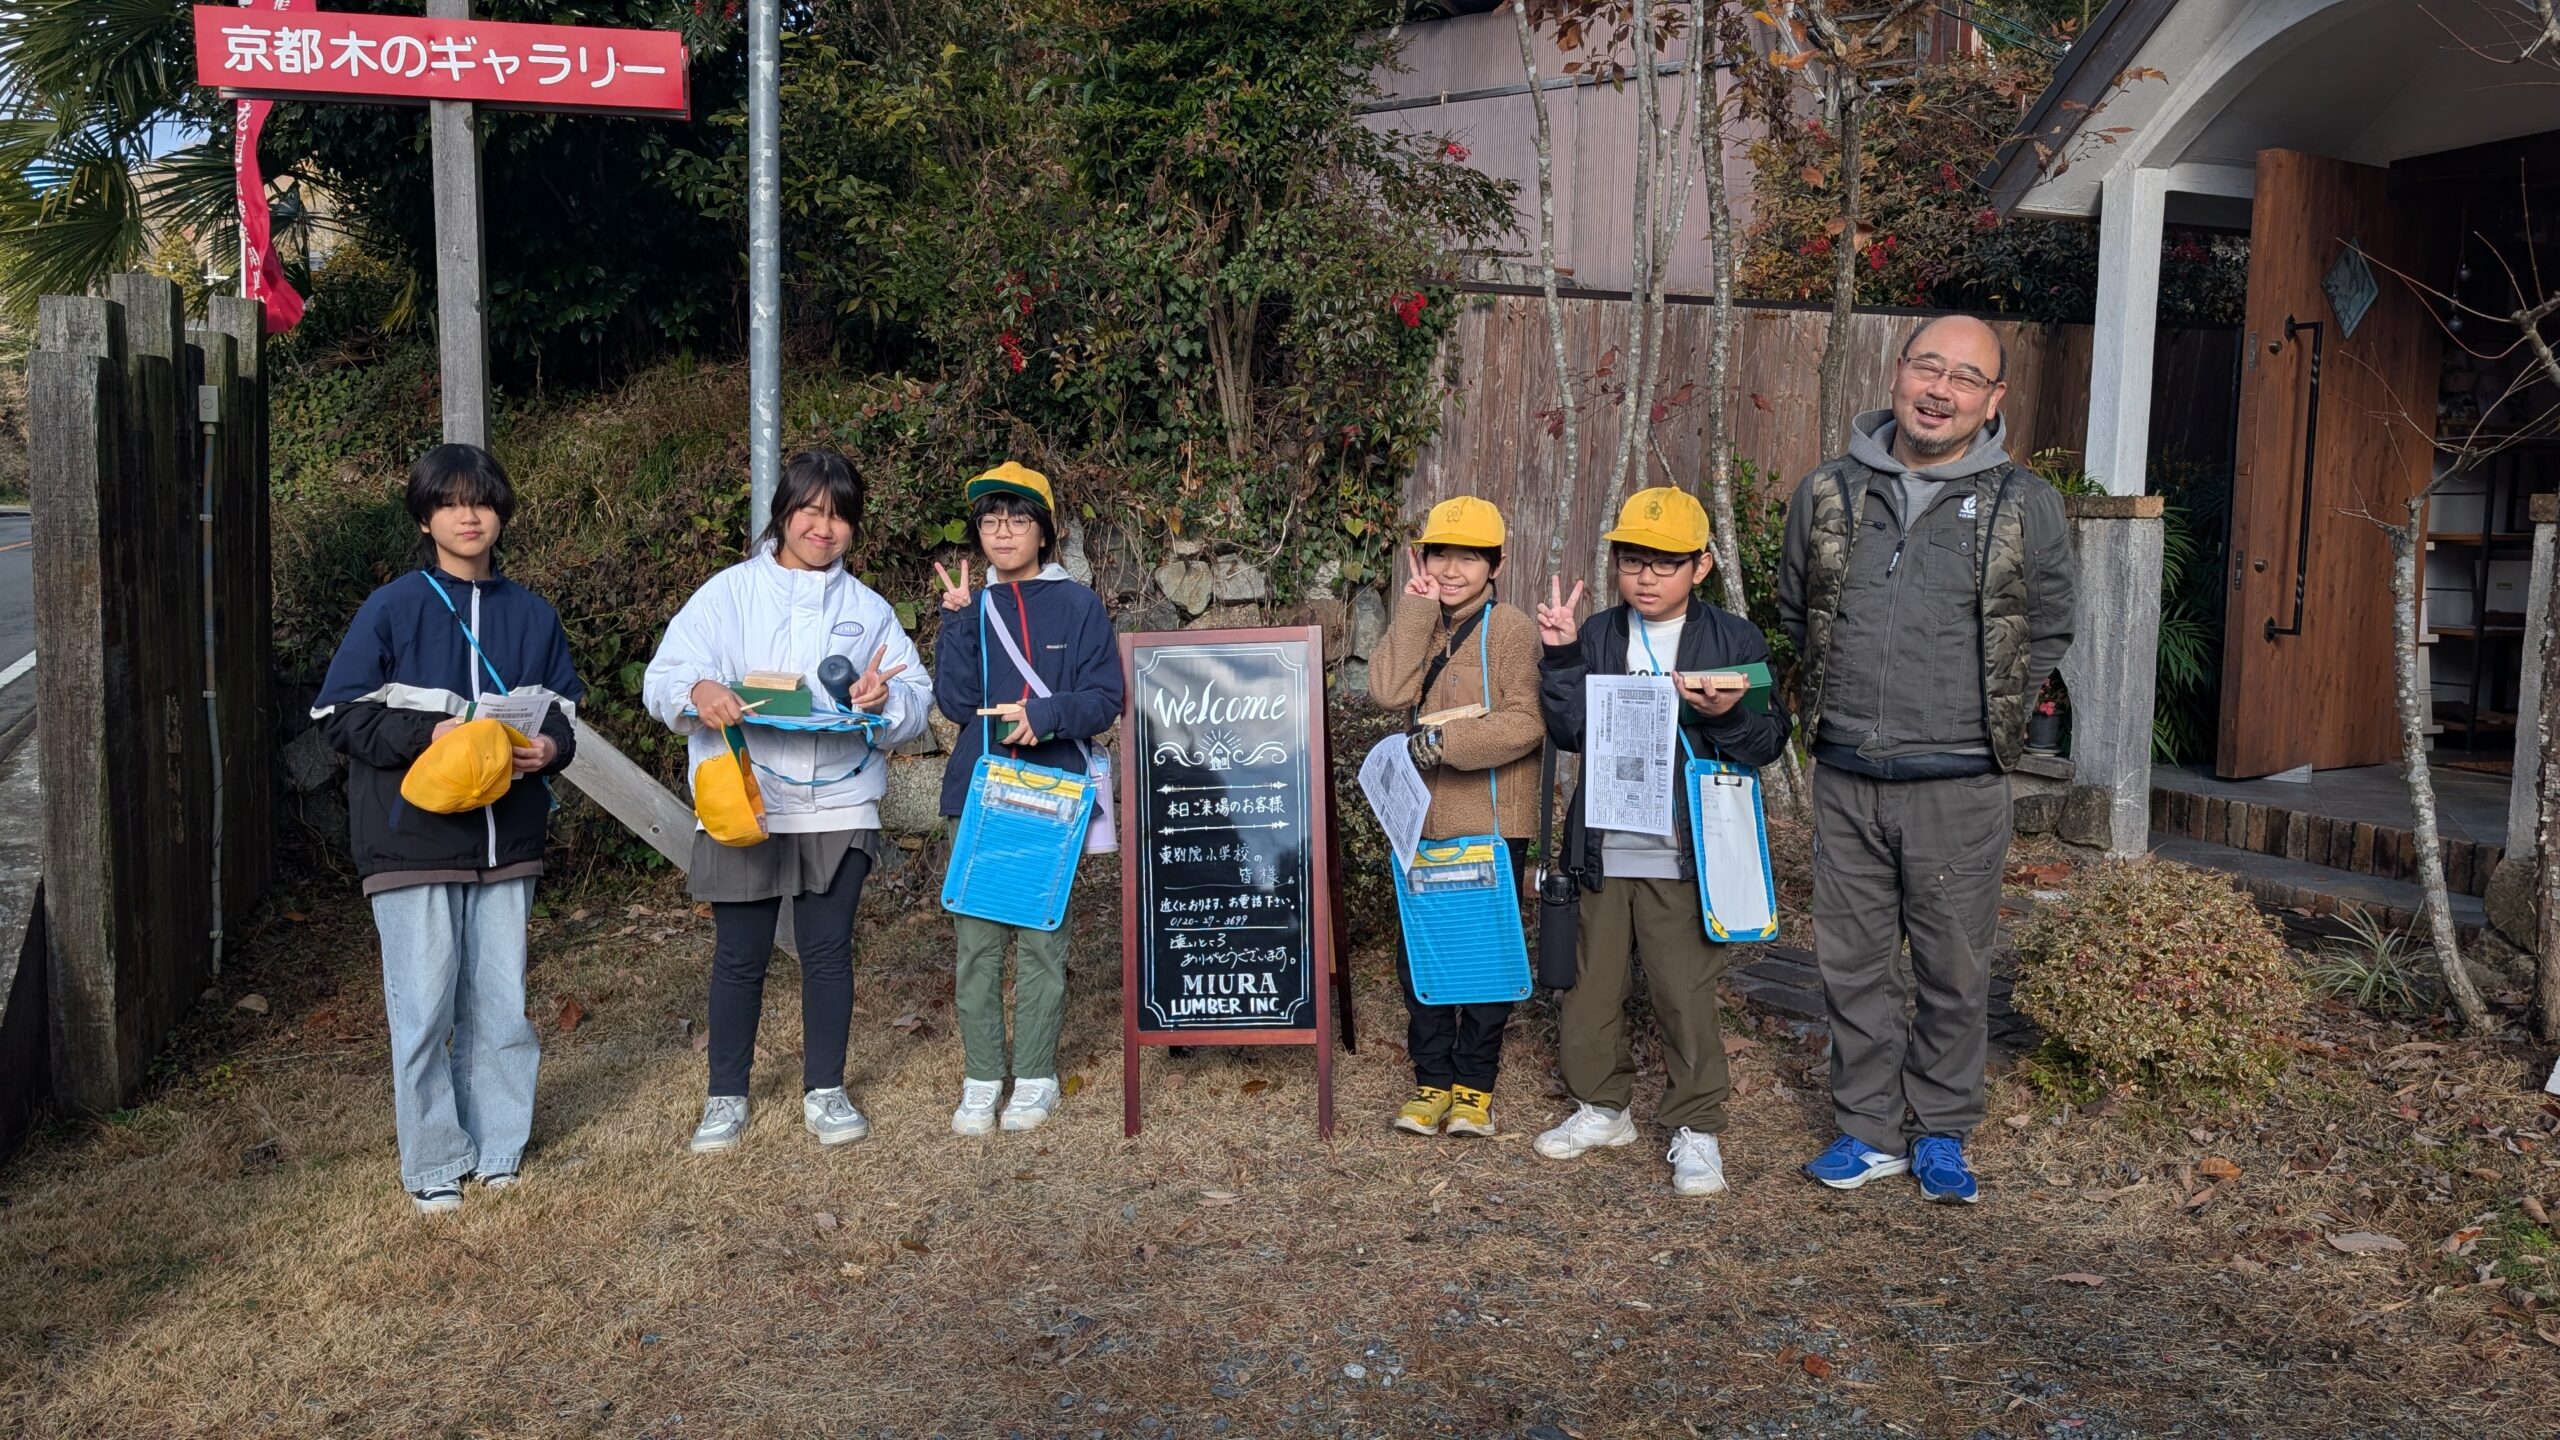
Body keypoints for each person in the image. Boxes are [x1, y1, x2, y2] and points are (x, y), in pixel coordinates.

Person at [1776, 314, 2077, 1204]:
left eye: (1965, 378)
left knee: (1954, 967)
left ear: (1994, 398)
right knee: (1853, 965)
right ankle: (1868, 1130)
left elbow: (2049, 624)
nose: (1940, 391)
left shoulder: (2025, 504)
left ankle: (1941, 1129)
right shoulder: (1828, 492)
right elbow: (1799, 609)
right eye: (1927, 368)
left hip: (1959, 781)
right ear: (1898, 372)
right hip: (1847, 774)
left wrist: (1983, 722)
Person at [313, 443, 582, 1214]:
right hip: (410, 843)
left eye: (483, 501)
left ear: (501, 514)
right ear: (425, 518)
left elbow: (563, 716)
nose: (469, 516)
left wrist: (549, 749)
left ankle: (498, 1149)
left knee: (501, 1007)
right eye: (451, 502)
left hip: (507, 842)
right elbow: (338, 715)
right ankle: (434, 1163)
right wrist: (428, 733)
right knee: (424, 1011)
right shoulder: (391, 608)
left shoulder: (533, 615)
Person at [645, 450, 932, 1155]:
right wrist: (698, 691)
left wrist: (883, 700)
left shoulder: (868, 610)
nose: (823, 528)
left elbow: (916, 699)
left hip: (840, 803)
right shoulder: (728, 594)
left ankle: (825, 1089)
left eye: (838, 516)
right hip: (746, 797)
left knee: (828, 951)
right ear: (783, 514)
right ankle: (725, 1096)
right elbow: (664, 677)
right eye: (810, 511)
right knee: (740, 954)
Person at [1531, 486, 1791, 1196]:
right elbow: (1569, 732)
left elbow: (1768, 740)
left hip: (1686, 846)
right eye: (1632, 561)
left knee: (1684, 989)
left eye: (1666, 563)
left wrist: (1726, 716)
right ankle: (1601, 1107)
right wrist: (1561, 656)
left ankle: (1697, 1126)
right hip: (1604, 844)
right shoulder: (1598, 634)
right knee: (1592, 986)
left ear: (1701, 566)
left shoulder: (1733, 639)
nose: (1646, 577)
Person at [930, 462, 1124, 1135]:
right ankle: (983, 1076)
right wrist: (958, 622)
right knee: (977, 944)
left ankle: (1037, 1074)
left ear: (1045, 531)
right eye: (990, 520)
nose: (1003, 532)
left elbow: (1105, 698)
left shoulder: (1078, 606)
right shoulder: (972, 607)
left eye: (1017, 519)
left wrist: (1045, 715)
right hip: (979, 793)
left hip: (1051, 792)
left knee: (1043, 940)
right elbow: (956, 702)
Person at [1363, 495, 1546, 1138]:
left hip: (1491, 820)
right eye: (1440, 554)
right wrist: (1414, 611)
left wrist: (1446, 743)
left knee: (1486, 956)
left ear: (1496, 565)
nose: (1451, 569)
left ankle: (1474, 1087)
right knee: (1423, 954)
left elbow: (1527, 720)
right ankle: (1431, 1082)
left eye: (1468, 557)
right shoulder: (1422, 619)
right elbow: (1386, 690)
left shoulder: (1511, 629)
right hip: (1421, 822)